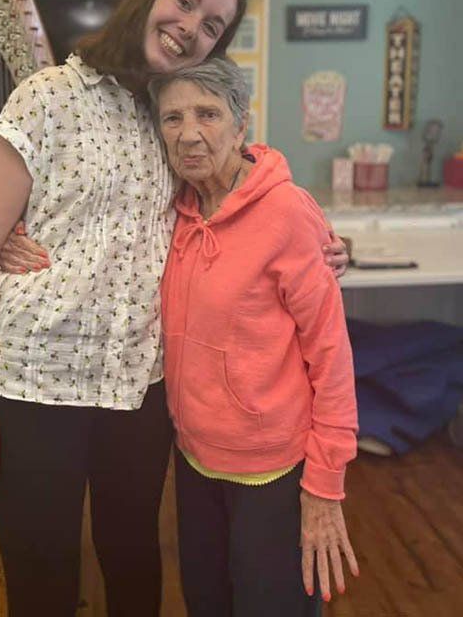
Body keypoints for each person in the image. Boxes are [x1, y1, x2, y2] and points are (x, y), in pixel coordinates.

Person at [0, 0, 350, 617]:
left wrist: (323, 238)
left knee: (136, 564)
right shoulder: (48, 95)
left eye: (214, 25)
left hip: (139, 390)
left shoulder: (175, 115)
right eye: (187, 1)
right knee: (41, 575)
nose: (193, 26)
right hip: (35, 385)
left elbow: (251, 188)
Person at [145, 56, 359, 617]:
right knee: (207, 604)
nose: (189, 133)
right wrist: (13, 232)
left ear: (242, 125)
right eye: (172, 118)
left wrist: (325, 486)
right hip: (195, 460)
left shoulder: (286, 212)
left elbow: (331, 355)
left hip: (273, 470)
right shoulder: (170, 209)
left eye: (208, 114)